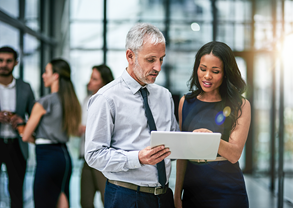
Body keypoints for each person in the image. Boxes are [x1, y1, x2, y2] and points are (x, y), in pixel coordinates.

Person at [85, 23, 179, 208]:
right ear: (130, 56)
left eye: (161, 59)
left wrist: (193, 141)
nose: (158, 67)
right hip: (126, 197)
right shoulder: (106, 98)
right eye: (151, 59)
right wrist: (137, 158)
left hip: (164, 195)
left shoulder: (164, 96)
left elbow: (173, 144)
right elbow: (93, 154)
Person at [174, 41, 251, 208]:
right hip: (192, 190)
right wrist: (177, 193)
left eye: (215, 71)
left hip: (227, 191)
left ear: (225, 73)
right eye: (203, 69)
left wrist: (210, 139)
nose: (207, 76)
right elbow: (182, 155)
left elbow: (234, 154)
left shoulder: (241, 105)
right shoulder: (185, 102)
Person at [22, 59, 81, 208]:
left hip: (47, 157)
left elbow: (25, 136)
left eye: (46, 72)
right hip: (64, 158)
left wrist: (18, 124)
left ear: (55, 76)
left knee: (42, 203)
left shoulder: (44, 102)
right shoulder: (70, 101)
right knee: (62, 199)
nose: (43, 76)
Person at [0, 46, 35, 208]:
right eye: (0, 60)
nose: (3, 64)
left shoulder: (25, 87)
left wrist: (21, 121)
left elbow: (35, 118)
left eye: (8, 61)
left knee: (16, 191)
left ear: (16, 63)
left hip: (17, 145)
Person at [79, 64, 114, 207]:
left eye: (94, 79)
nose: (90, 82)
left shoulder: (111, 100)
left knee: (107, 200)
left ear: (104, 82)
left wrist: (89, 129)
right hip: (87, 158)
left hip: (103, 159)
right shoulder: (86, 100)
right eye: (90, 78)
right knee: (85, 201)